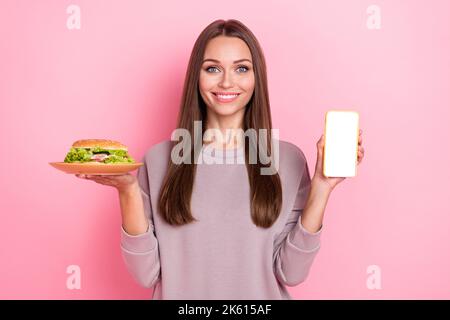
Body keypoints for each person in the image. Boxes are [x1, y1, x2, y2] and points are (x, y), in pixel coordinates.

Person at [75, 19, 365, 299]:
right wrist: (127, 190)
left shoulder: (287, 160)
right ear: (196, 78)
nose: (227, 82)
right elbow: (145, 275)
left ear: (256, 78)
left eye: (241, 69)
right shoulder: (159, 160)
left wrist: (322, 187)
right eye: (213, 68)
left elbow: (291, 272)